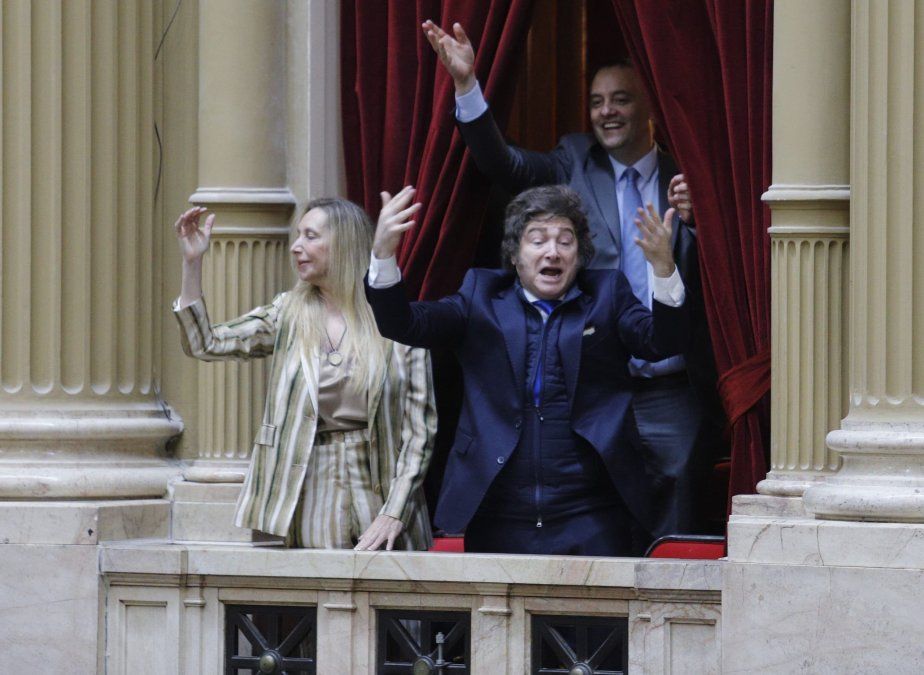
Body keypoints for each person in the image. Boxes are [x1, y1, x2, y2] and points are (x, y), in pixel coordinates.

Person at [422, 20, 726, 538]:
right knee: (599, 508)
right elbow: (504, 162)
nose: (606, 111)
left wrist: (703, 220)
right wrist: (467, 86)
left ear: (651, 106)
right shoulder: (572, 161)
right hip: (591, 377)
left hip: (668, 383)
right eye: (596, 101)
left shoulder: (690, 174)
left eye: (621, 99)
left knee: (675, 508)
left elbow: (734, 265)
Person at [366, 184, 688, 556]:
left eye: (565, 241)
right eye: (538, 240)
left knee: (591, 616)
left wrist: (664, 270)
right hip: (499, 511)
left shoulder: (606, 294)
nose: (552, 251)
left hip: (592, 512)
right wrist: (384, 256)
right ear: (515, 255)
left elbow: (663, 342)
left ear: (579, 255)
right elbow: (403, 325)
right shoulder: (480, 296)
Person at [172, 199, 436, 551]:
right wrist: (193, 263)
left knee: (389, 601)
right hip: (312, 484)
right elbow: (205, 343)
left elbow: (420, 434)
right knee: (323, 596)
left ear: (343, 244)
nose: (296, 247)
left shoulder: (400, 321)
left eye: (310, 236)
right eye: (298, 236)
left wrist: (394, 512)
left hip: (383, 486)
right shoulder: (287, 313)